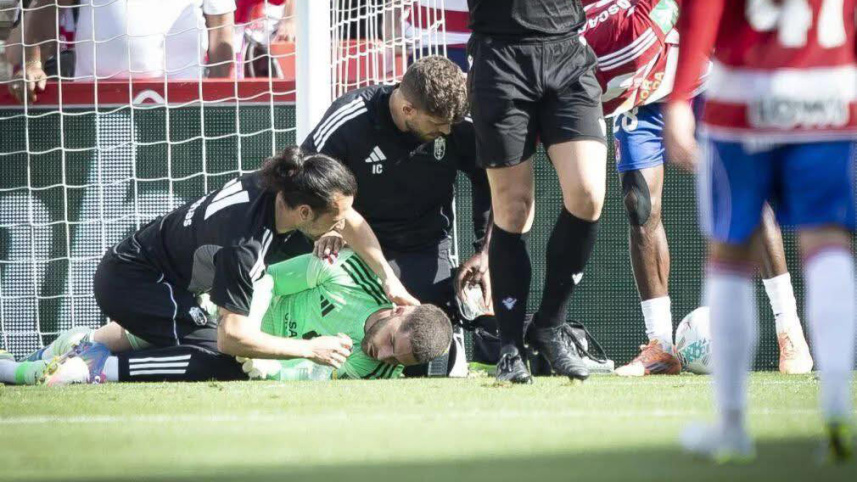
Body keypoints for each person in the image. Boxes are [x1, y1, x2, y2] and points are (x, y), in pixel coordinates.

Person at [0, 146, 418, 385]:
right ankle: (92, 369)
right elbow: (233, 338)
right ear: (305, 213)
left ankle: (46, 354)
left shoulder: (281, 184)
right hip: (137, 282)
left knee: (199, 326)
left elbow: (353, 222)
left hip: (148, 272)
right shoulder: (245, 246)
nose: (343, 226)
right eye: (336, 219)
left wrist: (388, 277)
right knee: (219, 356)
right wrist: (310, 349)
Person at [665, 0, 856, 462]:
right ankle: (837, 406)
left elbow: (703, 8)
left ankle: (731, 426)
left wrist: (678, 97)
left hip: (744, 99)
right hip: (830, 94)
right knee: (828, 244)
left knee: (730, 256)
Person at [581, 0, 813, 376]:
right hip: (641, 92)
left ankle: (789, 329)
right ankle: (660, 345)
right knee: (639, 203)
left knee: (746, 192)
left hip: (702, 74)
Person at [0, 249, 452, 385]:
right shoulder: (349, 273)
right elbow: (268, 280)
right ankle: (35, 363)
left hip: (238, 353)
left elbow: (305, 376)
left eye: (396, 360)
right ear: (400, 310)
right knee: (118, 335)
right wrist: (247, 331)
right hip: (230, 306)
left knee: (214, 359)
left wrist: (268, 364)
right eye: (391, 342)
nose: (382, 355)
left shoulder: (376, 371)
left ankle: (72, 370)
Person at [301, 56, 492, 376]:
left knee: (420, 354)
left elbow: (494, 184)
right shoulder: (350, 119)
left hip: (423, 246)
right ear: (408, 110)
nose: (447, 131)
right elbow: (305, 180)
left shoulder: (456, 122)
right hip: (351, 244)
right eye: (438, 125)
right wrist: (328, 227)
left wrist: (486, 251)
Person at [467, 0, 608, 383]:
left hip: (567, 52)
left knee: (588, 194)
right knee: (514, 209)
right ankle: (510, 348)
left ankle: (548, 326)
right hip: (500, 57)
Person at [9, 0, 236, 103]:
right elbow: (49, 6)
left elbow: (221, 32)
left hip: (183, 103)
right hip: (96, 102)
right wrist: (33, 64)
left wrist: (218, 102)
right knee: (103, 184)